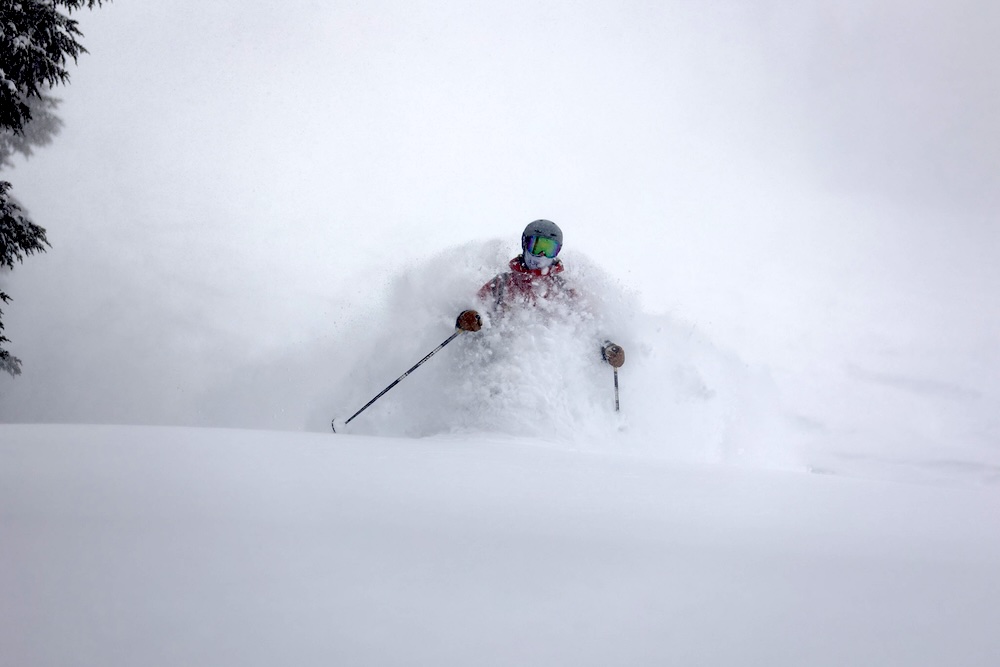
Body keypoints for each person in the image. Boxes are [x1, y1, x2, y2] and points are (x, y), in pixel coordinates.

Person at [455, 219, 625, 369]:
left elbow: (587, 325)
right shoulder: (502, 284)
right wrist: (466, 318)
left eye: (548, 249)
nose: (541, 255)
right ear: (524, 245)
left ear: (557, 253)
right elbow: (475, 310)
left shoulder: (563, 289)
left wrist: (607, 347)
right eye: (536, 246)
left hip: (550, 375)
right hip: (500, 366)